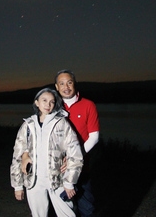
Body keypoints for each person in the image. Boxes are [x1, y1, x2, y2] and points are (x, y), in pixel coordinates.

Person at [24, 70, 100, 217]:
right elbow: (35, 133)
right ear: (56, 87)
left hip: (81, 168)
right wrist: (26, 153)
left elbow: (94, 137)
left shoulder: (88, 105)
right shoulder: (51, 106)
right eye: (62, 83)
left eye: (69, 82)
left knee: (86, 209)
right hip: (55, 171)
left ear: (75, 84)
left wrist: (74, 158)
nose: (66, 87)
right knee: (56, 210)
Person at [11, 88, 84, 217]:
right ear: (36, 103)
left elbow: (75, 153)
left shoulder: (61, 123)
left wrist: (69, 182)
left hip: (58, 180)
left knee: (68, 214)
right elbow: (17, 155)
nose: (48, 104)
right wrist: (17, 186)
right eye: (44, 100)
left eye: (51, 102)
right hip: (34, 181)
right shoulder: (28, 125)